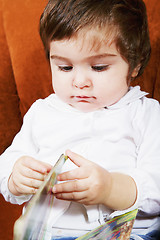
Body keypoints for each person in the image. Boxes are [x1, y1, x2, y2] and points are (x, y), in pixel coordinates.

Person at [0, 0, 160, 239]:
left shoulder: (146, 113)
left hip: (126, 234)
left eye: (98, 67)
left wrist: (110, 188)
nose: (80, 82)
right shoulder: (42, 112)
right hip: (48, 234)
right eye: (65, 68)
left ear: (135, 65)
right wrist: (15, 175)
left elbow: (156, 185)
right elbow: (9, 162)